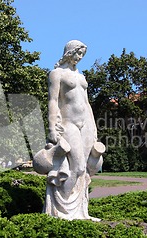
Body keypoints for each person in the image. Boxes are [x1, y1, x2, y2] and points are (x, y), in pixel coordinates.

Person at [35, 40, 105, 220]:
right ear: (69, 52)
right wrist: (51, 127)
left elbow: (87, 103)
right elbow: (52, 101)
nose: (80, 58)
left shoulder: (81, 77)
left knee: (86, 169)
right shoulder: (56, 74)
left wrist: (94, 127)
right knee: (78, 166)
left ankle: (82, 212)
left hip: (86, 124)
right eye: (78, 53)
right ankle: (64, 211)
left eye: (82, 55)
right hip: (69, 124)